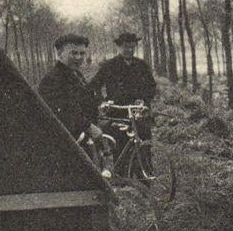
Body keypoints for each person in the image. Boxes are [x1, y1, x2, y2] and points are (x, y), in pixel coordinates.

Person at [37, 33, 109, 177]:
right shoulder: (52, 79)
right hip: (65, 146)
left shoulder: (76, 75)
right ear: (60, 54)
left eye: (82, 53)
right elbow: (63, 111)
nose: (78, 57)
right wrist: (89, 126)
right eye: (73, 53)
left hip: (82, 141)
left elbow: (84, 101)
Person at [86, 32, 158, 174]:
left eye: (132, 47)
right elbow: (94, 85)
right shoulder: (110, 65)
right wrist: (103, 101)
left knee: (143, 145)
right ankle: (123, 179)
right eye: (126, 47)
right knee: (120, 147)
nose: (129, 50)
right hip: (118, 112)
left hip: (139, 111)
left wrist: (144, 99)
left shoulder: (141, 65)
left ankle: (145, 180)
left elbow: (152, 86)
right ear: (119, 47)